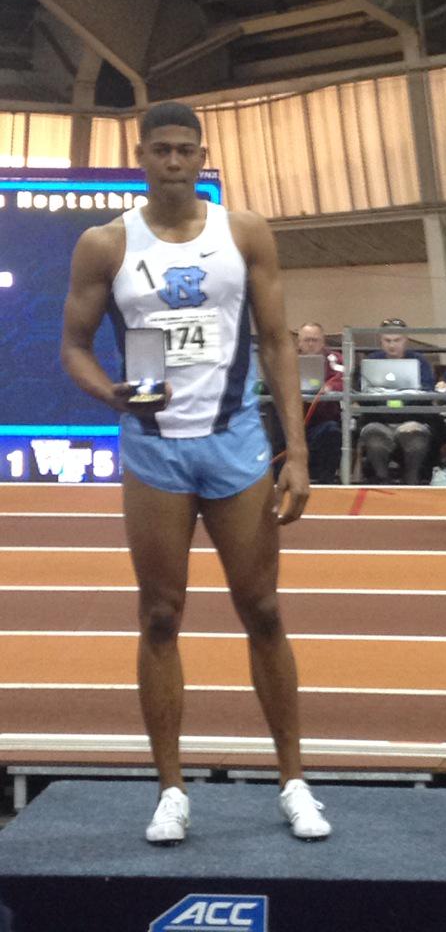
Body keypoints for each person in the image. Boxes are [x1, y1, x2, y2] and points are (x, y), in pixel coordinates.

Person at [60, 101, 331, 845]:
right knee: (159, 615)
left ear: (202, 157)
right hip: (154, 447)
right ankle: (171, 790)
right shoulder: (105, 245)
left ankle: (294, 781)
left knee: (265, 610)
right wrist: (109, 392)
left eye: (186, 151)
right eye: (161, 150)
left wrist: (296, 452)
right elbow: (75, 346)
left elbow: (277, 341)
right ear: (139, 154)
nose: (174, 162)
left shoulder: (242, 233)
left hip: (235, 442)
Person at [356, 317, 440, 484]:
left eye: (397, 340)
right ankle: (382, 478)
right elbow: (360, 392)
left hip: (412, 420)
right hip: (378, 419)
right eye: (387, 341)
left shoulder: (419, 362)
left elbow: (428, 392)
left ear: (406, 340)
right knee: (373, 436)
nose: (392, 345)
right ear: (381, 341)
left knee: (416, 438)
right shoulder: (371, 361)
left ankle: (412, 478)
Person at [271, 322, 343, 483]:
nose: (310, 344)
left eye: (315, 340)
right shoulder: (286, 359)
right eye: (306, 340)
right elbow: (271, 380)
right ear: (299, 342)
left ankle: (327, 481)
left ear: (323, 342)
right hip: (290, 423)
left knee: (332, 431)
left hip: (322, 421)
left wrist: (329, 386)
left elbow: (343, 379)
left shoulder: (335, 359)